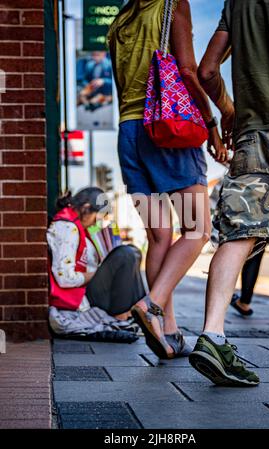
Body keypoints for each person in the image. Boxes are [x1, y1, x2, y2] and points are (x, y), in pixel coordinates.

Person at [189, 0, 269, 386]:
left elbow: (206, 70)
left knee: (238, 235)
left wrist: (228, 109)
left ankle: (212, 335)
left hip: (252, 135)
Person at [108, 0, 227, 359]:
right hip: (166, 130)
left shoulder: (119, 23)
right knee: (198, 229)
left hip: (129, 132)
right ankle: (153, 304)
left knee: (159, 237)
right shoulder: (173, 4)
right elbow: (189, 72)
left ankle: (168, 331)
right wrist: (212, 124)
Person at [47, 187, 146, 325]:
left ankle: (136, 311)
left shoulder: (78, 227)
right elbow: (64, 278)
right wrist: (99, 273)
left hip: (89, 291)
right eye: (97, 216)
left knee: (133, 251)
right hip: (81, 298)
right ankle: (130, 314)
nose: (95, 223)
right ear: (86, 208)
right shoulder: (66, 228)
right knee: (126, 254)